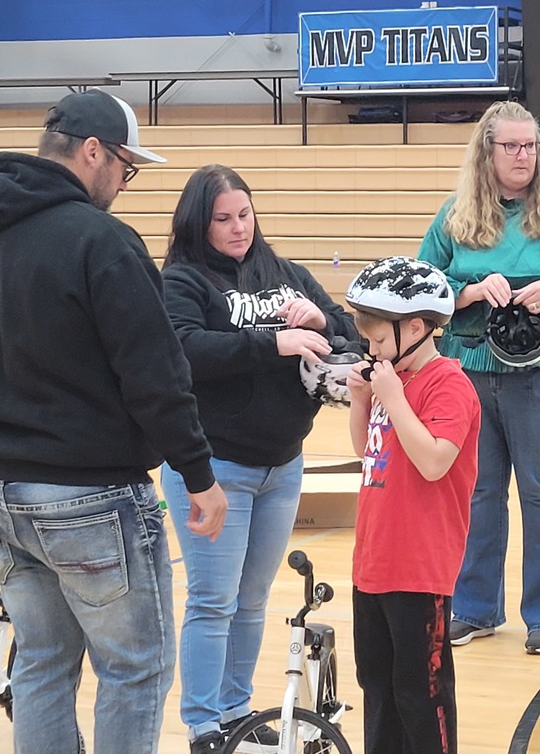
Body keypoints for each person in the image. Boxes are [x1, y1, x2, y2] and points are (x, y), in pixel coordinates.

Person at [0, 89, 228, 754]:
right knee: (134, 669)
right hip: (91, 495)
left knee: (41, 666)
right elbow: (156, 373)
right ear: (93, 152)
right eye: (123, 165)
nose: (122, 180)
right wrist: (199, 474)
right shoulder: (101, 240)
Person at [159, 164, 360, 753]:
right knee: (213, 599)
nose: (237, 228)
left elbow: (350, 328)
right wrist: (272, 340)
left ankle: (236, 711)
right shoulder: (182, 280)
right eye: (223, 218)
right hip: (214, 468)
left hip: (282, 464)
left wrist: (320, 321)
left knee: (251, 600)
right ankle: (202, 725)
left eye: (244, 214)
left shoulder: (286, 274)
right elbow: (186, 350)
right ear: (200, 222)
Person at [418, 100, 540, 655]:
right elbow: (420, 291)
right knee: (479, 492)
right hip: (471, 373)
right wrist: (474, 291)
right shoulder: (453, 217)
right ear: (487, 151)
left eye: (530, 145)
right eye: (511, 145)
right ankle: (476, 607)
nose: (523, 155)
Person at [344, 255, 481, 754]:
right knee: (377, 689)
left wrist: (394, 397)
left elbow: (434, 462)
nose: (372, 349)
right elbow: (367, 450)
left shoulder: (448, 384)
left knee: (422, 696)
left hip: (419, 568)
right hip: (374, 562)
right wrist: (363, 399)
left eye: (379, 340)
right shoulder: (391, 380)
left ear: (418, 328)